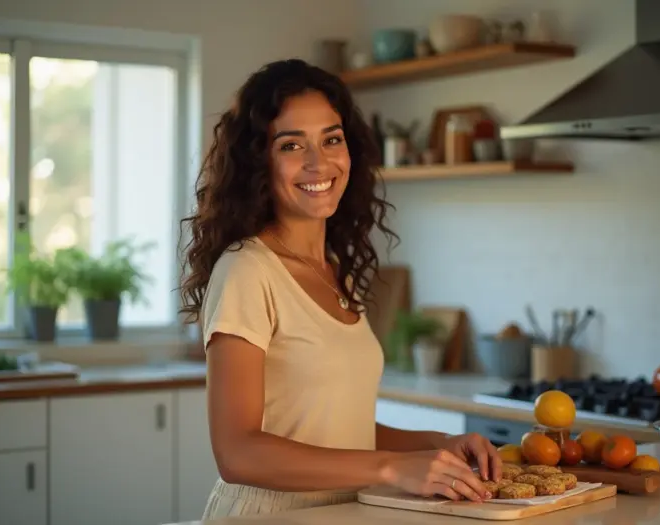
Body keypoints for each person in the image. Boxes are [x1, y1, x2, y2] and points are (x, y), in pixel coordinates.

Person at [178, 58, 502, 518]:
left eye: (331, 138)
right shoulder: (247, 270)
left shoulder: (335, 273)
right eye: (292, 145)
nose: (319, 162)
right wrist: (392, 468)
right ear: (258, 161)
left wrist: (438, 445)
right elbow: (238, 453)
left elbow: (339, 432)